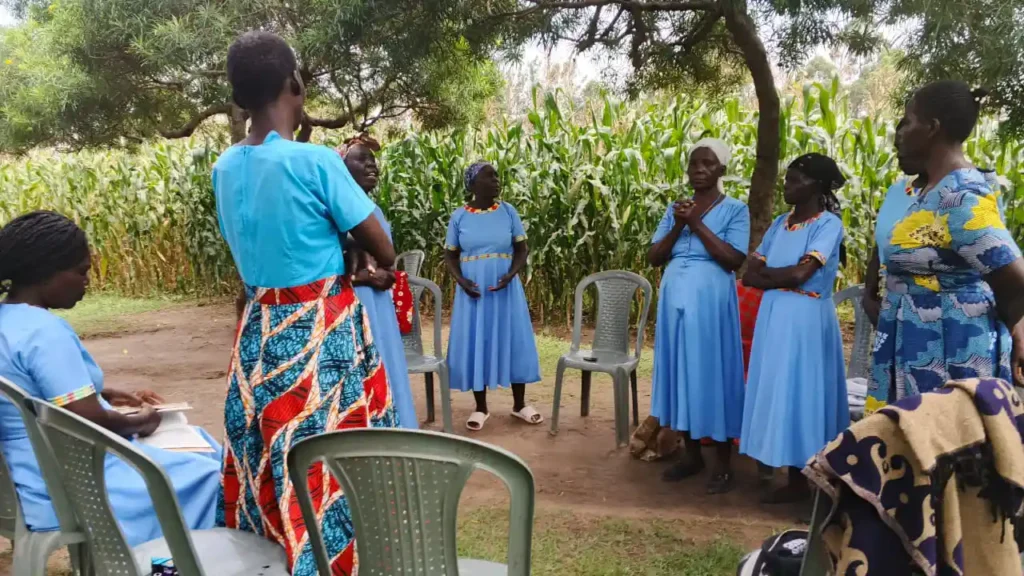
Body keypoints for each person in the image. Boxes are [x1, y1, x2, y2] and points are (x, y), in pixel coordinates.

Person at [213, 31, 398, 576]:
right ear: (295, 83)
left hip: (258, 334)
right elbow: (382, 246)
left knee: (269, 460)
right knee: (328, 468)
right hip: (320, 334)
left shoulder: (225, 167)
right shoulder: (314, 162)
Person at [0, 211, 222, 546]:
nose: (87, 281)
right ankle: (179, 561)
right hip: (76, 483)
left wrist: (103, 391)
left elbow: (32, 392)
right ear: (45, 271)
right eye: (81, 272)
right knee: (213, 473)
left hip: (29, 477)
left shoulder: (8, 322)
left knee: (201, 446)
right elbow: (90, 420)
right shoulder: (44, 332)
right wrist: (143, 422)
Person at [868, 80, 1024, 412]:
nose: (901, 131)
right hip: (917, 344)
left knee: (940, 452)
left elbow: (1015, 280)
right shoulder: (933, 190)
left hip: (947, 354)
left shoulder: (960, 197)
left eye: (908, 121)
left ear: (932, 128)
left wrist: (1019, 330)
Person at [740, 153, 849, 503]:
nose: (787, 185)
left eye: (795, 180)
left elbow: (802, 275)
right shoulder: (778, 224)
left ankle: (817, 485)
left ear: (816, 185)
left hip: (806, 322)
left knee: (804, 395)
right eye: (786, 178)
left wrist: (771, 276)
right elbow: (748, 274)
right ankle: (795, 483)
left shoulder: (827, 224)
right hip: (774, 321)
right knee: (781, 394)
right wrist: (782, 275)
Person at [647, 138, 749, 494]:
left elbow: (733, 259)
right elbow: (655, 256)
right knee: (680, 374)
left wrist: (697, 224)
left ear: (722, 170)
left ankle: (722, 464)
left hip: (711, 303)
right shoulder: (675, 208)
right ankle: (690, 456)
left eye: (707, 164)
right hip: (674, 300)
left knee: (711, 374)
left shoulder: (735, 209)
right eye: (693, 164)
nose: (698, 170)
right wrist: (679, 223)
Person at [444, 162, 542, 431]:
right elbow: (450, 255)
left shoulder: (509, 212)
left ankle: (520, 404)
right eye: (489, 177)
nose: (496, 181)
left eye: (497, 176)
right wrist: (462, 281)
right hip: (473, 290)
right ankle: (480, 407)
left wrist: (511, 274)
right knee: (479, 339)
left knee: (514, 338)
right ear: (473, 184)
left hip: (506, 287)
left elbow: (522, 249)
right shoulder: (459, 216)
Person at [339, 133, 418, 428]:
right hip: (356, 303)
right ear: (340, 168)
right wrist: (363, 278)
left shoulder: (375, 210)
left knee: (387, 364)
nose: (372, 166)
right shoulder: (335, 210)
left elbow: (384, 257)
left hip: (379, 302)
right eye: (362, 159)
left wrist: (383, 274)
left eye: (373, 160)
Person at [861, 164, 925, 327]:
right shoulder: (897, 190)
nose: (897, 142)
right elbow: (881, 244)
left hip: (938, 314)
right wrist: (869, 295)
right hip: (891, 303)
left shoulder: (964, 191)